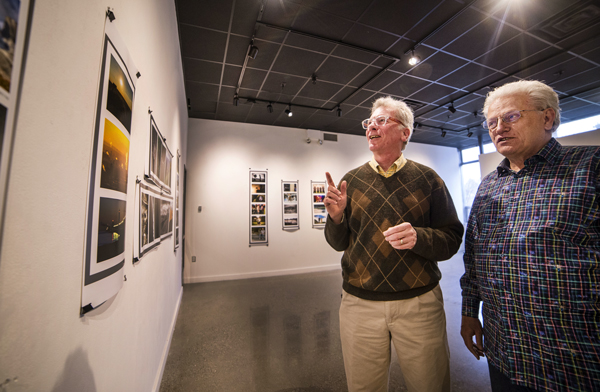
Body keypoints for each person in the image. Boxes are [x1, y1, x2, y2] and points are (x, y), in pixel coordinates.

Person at [460, 80, 600, 392]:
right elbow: (473, 258)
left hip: (576, 361)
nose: (499, 128)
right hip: (505, 354)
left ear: (547, 118)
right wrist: (470, 312)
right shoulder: (487, 187)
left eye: (511, 117)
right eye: (492, 122)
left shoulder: (591, 167)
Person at [324, 96, 464, 392]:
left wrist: (419, 237)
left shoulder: (428, 179)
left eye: (382, 120)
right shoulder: (352, 180)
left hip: (419, 305)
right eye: (369, 122)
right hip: (359, 305)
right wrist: (336, 219)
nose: (372, 126)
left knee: (430, 385)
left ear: (405, 133)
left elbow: (452, 238)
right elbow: (339, 244)